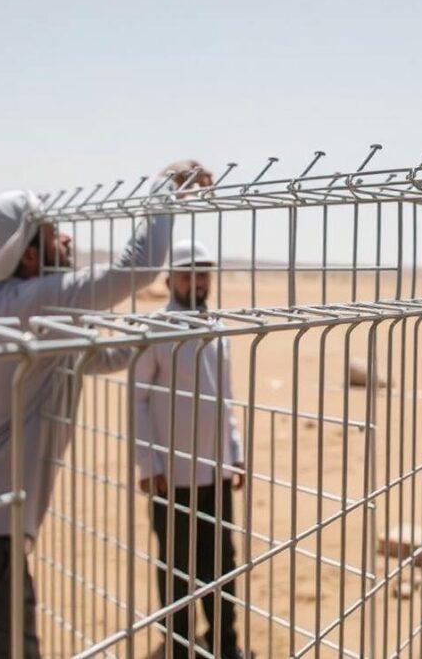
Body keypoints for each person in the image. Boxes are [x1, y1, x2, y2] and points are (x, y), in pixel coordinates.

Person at [0, 161, 208, 658]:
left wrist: (177, 318)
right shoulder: (23, 304)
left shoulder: (29, 317)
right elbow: (136, 269)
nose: (71, 245)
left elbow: (105, 356)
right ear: (31, 256)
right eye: (58, 237)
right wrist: (164, 192)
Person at [134, 240, 248, 659]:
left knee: (221, 561)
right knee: (176, 566)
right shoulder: (156, 329)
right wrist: (148, 461)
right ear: (170, 280)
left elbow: (226, 397)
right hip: (171, 475)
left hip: (215, 472)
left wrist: (235, 451)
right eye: (187, 274)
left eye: (203, 274)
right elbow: (138, 398)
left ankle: (225, 643)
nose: (196, 282)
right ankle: (178, 644)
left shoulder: (219, 328)